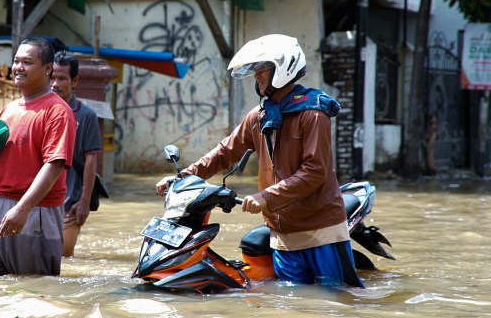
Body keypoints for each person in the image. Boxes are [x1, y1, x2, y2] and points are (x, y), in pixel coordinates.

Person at [156, 34, 364, 288]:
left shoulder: (313, 113)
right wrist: (182, 179)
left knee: (336, 300)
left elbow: (314, 171)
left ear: (283, 68)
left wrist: (266, 196)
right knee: (291, 303)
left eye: (261, 68)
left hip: (321, 233)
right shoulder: (259, 116)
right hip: (282, 235)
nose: (256, 75)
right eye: (255, 70)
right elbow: (224, 153)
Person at [0, 37, 76, 276]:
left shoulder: (58, 112)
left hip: (33, 212)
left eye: (27, 62)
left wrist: (23, 209)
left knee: (34, 291)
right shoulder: (10, 108)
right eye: (16, 61)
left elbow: (55, 165)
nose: (18, 67)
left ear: (47, 69)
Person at [51, 51, 103, 257]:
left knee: (63, 256)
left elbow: (91, 160)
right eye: (52, 77)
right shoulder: (36, 110)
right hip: (38, 200)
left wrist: (84, 202)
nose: (55, 83)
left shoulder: (86, 115)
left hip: (70, 201)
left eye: (62, 78)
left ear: (74, 81)